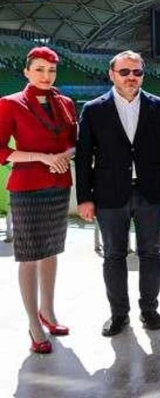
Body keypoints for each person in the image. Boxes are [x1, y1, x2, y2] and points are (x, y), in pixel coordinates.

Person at [76, 50, 160, 337]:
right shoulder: (94, 109)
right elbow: (84, 157)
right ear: (112, 74)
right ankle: (119, 314)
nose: (131, 77)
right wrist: (84, 197)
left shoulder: (158, 107)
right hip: (110, 195)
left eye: (137, 72)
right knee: (114, 255)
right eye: (125, 72)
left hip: (152, 193)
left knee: (151, 253)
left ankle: (149, 310)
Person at [0, 46, 76, 354]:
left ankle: (48, 311)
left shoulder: (66, 102)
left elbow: (74, 143)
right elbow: (1, 150)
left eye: (52, 70)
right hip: (28, 187)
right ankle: (33, 322)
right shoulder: (10, 104)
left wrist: (63, 156)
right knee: (30, 256)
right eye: (40, 69)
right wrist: (43, 157)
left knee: (51, 252)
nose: (47, 76)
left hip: (59, 185)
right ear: (27, 72)